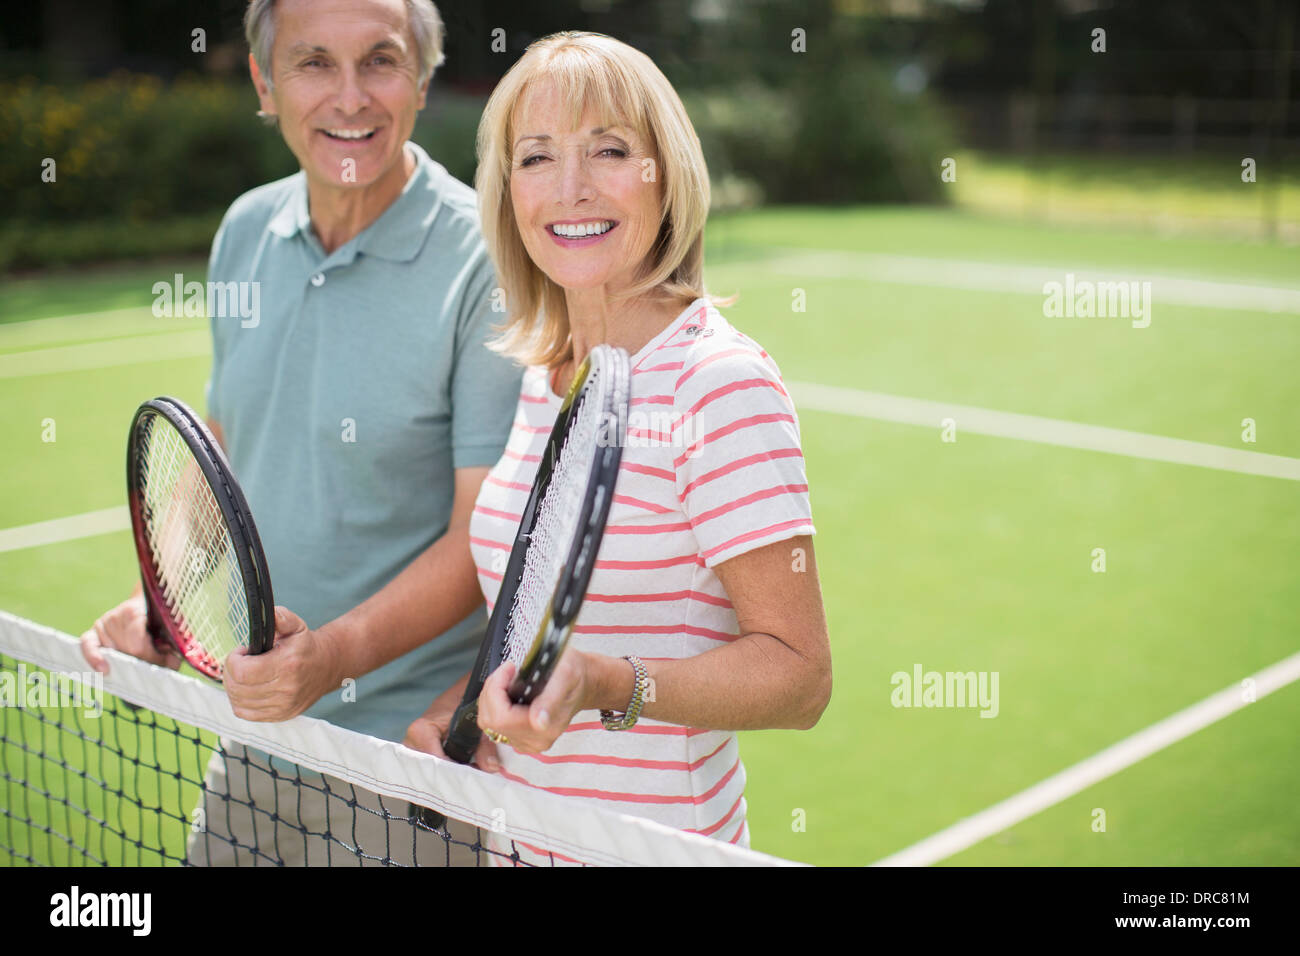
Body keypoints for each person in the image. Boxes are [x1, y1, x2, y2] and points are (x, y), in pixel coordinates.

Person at [79, 0, 521, 865]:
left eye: (381, 61)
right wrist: (162, 608)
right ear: (263, 82)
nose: (349, 98)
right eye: (314, 62)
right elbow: (227, 441)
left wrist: (327, 660)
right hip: (257, 735)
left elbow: (482, 541)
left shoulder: (487, 260)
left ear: (422, 80)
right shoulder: (245, 229)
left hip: (415, 767)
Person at [403, 31, 832, 864]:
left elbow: (801, 675)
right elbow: (530, 627)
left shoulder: (718, 382)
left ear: (663, 175)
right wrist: (456, 710)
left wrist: (610, 684)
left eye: (608, 150)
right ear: (508, 193)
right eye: (536, 158)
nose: (569, 189)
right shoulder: (547, 379)